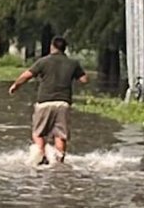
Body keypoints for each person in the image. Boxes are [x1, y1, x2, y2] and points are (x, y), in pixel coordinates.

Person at [8, 36, 89, 165]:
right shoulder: (73, 63)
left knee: (38, 133)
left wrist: (15, 86)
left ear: (52, 47)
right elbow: (84, 80)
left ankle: (41, 154)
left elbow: (27, 75)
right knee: (60, 135)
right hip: (63, 103)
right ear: (65, 48)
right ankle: (58, 161)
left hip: (44, 101)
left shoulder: (43, 61)